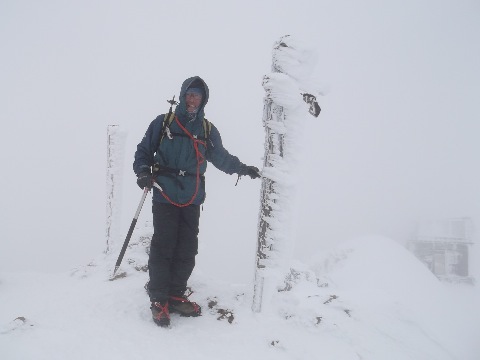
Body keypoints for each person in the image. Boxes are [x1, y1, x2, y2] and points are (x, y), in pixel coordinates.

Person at [133, 76, 260, 327]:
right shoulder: (164, 122)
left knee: (187, 248)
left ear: (203, 100)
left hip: (191, 195)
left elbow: (220, 157)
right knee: (164, 245)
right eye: (189, 94)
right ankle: (159, 298)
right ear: (182, 96)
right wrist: (143, 172)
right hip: (165, 191)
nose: (192, 99)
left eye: (197, 96)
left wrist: (242, 168)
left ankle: (176, 294)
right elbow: (143, 150)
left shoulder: (207, 130)